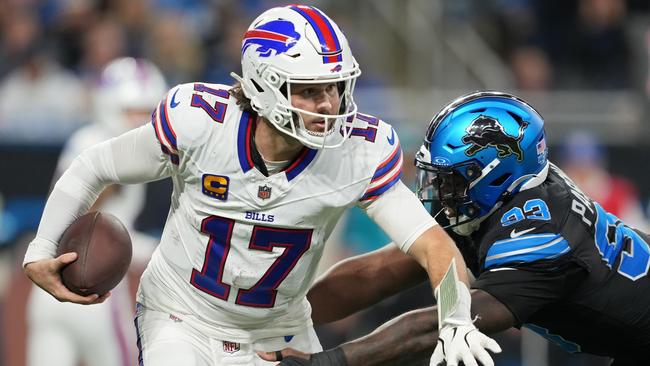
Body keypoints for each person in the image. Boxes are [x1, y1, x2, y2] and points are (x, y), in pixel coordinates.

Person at [22, 6, 499, 366]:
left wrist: (456, 317)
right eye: (310, 89)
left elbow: (433, 245)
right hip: (182, 318)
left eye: (335, 87)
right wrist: (40, 249)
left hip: (279, 329)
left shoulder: (356, 152)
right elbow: (93, 165)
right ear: (264, 86)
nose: (329, 104)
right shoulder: (200, 125)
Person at [263, 91, 650, 366]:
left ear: (497, 175)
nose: (437, 193)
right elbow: (378, 273)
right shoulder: (506, 197)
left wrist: (322, 363)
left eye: (452, 180)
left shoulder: (541, 238)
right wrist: (276, 317)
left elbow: (445, 324)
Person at [26, 57, 165, 366]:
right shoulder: (102, 147)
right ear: (108, 105)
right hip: (96, 292)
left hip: (49, 291)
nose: (138, 119)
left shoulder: (84, 139)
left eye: (145, 110)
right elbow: (86, 226)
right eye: (131, 109)